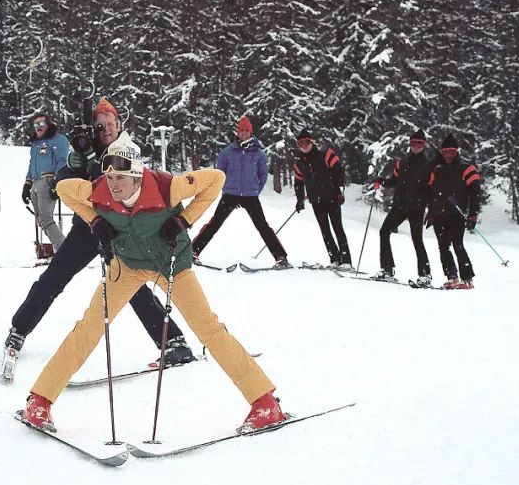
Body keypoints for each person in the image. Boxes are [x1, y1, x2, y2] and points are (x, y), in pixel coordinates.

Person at [17, 133, 286, 434]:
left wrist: (185, 220)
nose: (113, 184)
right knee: (89, 328)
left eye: (121, 177)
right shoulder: (98, 190)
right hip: (127, 266)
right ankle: (39, 400)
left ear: (136, 175)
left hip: (172, 265)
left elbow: (216, 179)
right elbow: (65, 188)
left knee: (208, 328)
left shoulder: (166, 187)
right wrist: (94, 220)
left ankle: (265, 403)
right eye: (109, 176)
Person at [4, 98, 194, 369]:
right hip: (86, 228)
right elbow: (64, 183)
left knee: (134, 288)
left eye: (110, 123)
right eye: (99, 125)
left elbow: (126, 186)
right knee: (53, 278)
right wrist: (74, 164)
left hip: (117, 231)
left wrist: (94, 162)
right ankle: (18, 329)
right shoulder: (83, 149)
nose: (105, 129)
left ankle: (173, 342)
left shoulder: (129, 151)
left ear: (119, 124)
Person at [191, 116, 291, 268]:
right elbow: (220, 173)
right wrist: (226, 188)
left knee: (262, 226)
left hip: (251, 196)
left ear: (251, 133)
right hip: (230, 194)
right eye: (241, 130)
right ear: (237, 133)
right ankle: (192, 252)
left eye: (247, 131)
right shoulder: (227, 153)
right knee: (214, 223)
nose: (244, 133)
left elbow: (263, 175)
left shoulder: (259, 153)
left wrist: (256, 190)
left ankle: (281, 257)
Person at [371, 129, 434, 284]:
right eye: (413, 143)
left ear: (424, 145)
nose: (416, 146)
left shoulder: (428, 165)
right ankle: (387, 269)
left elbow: (433, 189)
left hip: (416, 208)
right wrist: (381, 181)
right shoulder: (402, 162)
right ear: (410, 144)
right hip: (400, 205)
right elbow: (394, 181)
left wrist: (432, 211)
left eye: (419, 143)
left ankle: (425, 275)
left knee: (417, 239)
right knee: (384, 231)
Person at [424, 134, 483, 289]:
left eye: (451, 151)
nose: (448, 155)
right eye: (445, 152)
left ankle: (467, 279)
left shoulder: (467, 169)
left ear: (457, 152)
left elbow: (476, 192)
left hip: (457, 214)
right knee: (443, 247)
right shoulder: (437, 171)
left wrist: (473, 214)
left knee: (458, 244)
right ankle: (452, 277)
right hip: (439, 214)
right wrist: (430, 213)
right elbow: (431, 193)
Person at [293, 129, 352, 268]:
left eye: (306, 142)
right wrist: (300, 200)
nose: (304, 145)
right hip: (316, 201)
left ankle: (346, 261)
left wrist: (339, 190)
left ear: (312, 142)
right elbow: (298, 183)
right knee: (325, 231)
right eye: (300, 143)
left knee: (338, 229)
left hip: (331, 198)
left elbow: (338, 172)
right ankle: (334, 259)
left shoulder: (326, 155)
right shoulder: (299, 164)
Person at [20, 112, 70, 250]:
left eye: (42, 124)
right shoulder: (36, 144)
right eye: (36, 124)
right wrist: (27, 185)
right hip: (35, 183)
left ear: (48, 124)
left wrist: (57, 181)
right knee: (41, 220)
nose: (39, 127)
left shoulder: (58, 140)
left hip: (48, 181)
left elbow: (62, 160)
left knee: (45, 219)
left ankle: (64, 250)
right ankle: (61, 247)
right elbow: (31, 165)